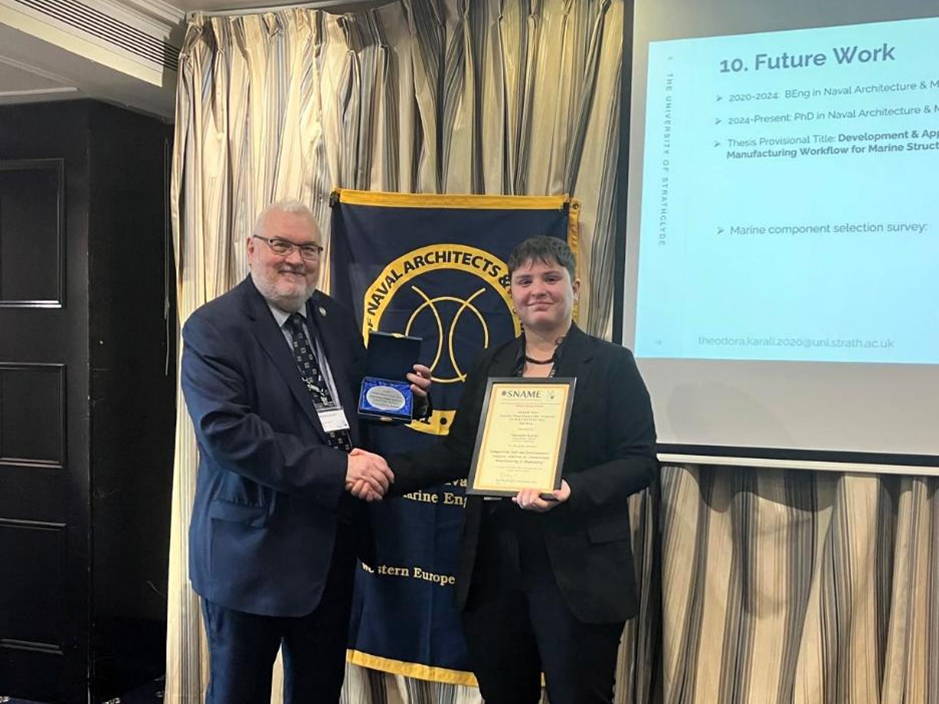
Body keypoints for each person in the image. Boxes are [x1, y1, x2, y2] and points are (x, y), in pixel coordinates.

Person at [358, 235, 656, 704]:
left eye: (551, 278)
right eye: (525, 280)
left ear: (575, 287)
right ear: (512, 293)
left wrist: (571, 489)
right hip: (494, 568)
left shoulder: (612, 364)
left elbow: (639, 461)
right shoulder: (491, 362)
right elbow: (460, 453)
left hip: (578, 570)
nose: (538, 290)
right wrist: (383, 471)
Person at [181, 200, 431, 704]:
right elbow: (229, 434)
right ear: (252, 249)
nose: (295, 259)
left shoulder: (334, 318)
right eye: (281, 245)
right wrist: (341, 469)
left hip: (329, 551)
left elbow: (357, 405)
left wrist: (409, 398)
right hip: (250, 556)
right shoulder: (214, 327)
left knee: (318, 692)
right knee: (237, 694)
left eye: (309, 249)